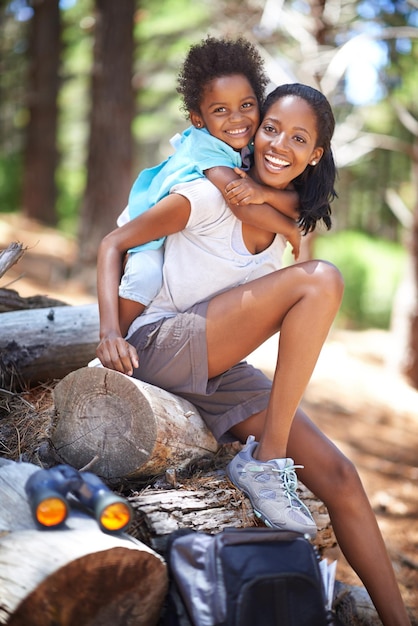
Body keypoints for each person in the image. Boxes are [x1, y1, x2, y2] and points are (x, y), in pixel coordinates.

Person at [96, 83, 411, 625]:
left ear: (315, 154)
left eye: (297, 138)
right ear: (254, 131)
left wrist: (282, 214)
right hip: (157, 346)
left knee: (340, 476)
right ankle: (269, 460)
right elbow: (113, 243)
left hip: (217, 366)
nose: (278, 144)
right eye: (270, 128)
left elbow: (291, 219)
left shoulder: (286, 221)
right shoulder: (206, 195)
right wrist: (108, 332)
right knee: (320, 280)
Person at [116, 37, 310, 337]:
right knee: (146, 278)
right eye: (221, 110)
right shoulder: (207, 149)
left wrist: (267, 194)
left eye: (246, 105)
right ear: (198, 119)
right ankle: (119, 339)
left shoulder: (241, 144)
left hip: (174, 226)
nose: (237, 118)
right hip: (144, 222)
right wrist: (290, 229)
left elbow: (285, 200)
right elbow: (242, 206)